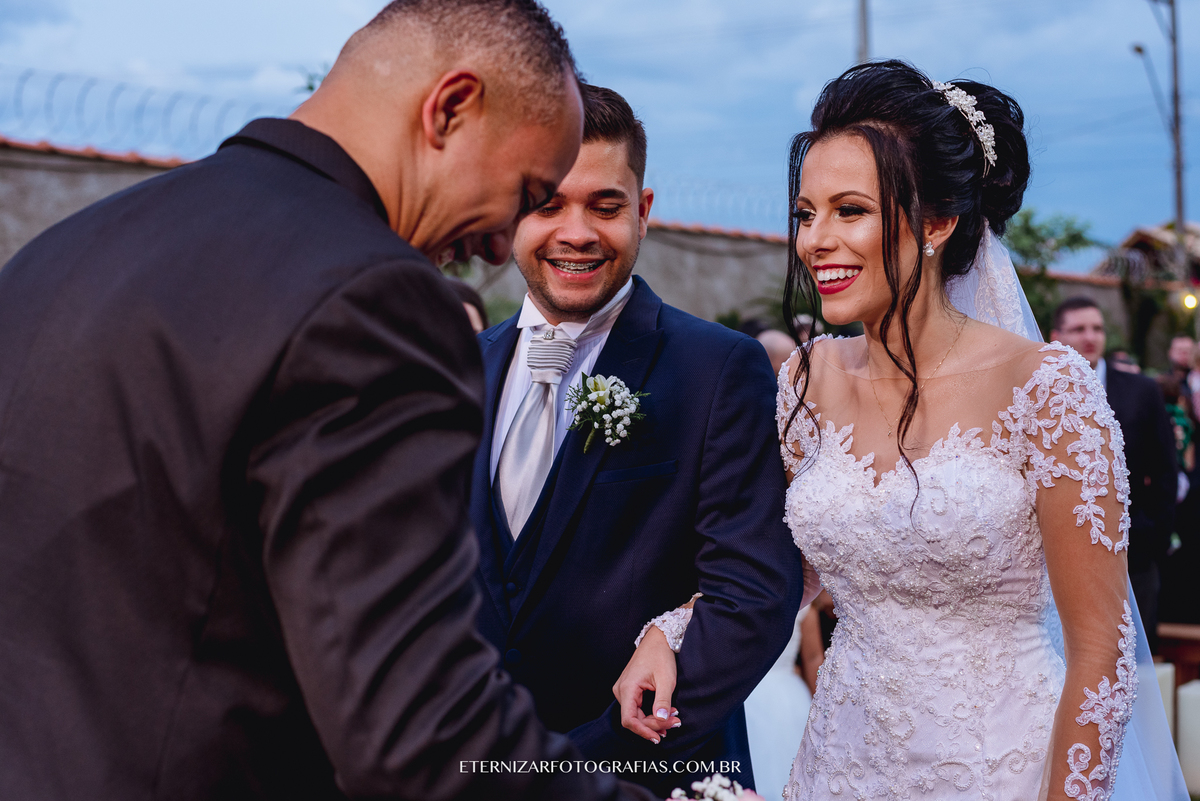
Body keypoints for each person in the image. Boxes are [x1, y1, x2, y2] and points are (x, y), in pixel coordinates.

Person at [0, 2, 668, 799]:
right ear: (450, 109)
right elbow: (420, 735)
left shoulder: (66, 249)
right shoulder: (376, 301)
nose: (501, 244)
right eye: (527, 191)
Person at [625, 60, 1187, 800]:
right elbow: (794, 570)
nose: (814, 240)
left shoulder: (1047, 389)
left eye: (848, 210)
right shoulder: (806, 379)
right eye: (805, 213)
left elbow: (1100, 652)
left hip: (1003, 764)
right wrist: (671, 629)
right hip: (843, 759)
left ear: (937, 221)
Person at [468, 84, 804, 797]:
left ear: (643, 213)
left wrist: (569, 770)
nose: (577, 231)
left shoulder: (717, 368)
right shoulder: (455, 372)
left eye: (606, 205)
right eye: (548, 203)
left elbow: (752, 592)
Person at [1050, 296, 1177, 654]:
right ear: (1056, 335)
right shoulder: (1042, 393)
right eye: (1079, 329)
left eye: (1097, 328)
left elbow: (1166, 470)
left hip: (1135, 557)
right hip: (1062, 562)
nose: (1090, 336)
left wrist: (1154, 539)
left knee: (1136, 665)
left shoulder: (1142, 390)